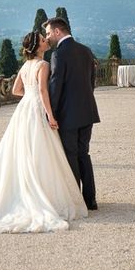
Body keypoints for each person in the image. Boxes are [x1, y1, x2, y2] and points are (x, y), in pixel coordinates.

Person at [0, 31, 87, 233]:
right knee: (41, 150)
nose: (45, 41)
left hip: (24, 108)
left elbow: (16, 90)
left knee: (24, 150)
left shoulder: (25, 66)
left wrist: (28, 95)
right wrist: (50, 115)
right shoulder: (43, 65)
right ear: (38, 47)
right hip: (37, 107)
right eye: (42, 40)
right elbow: (43, 91)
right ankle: (44, 195)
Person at [43, 17, 100, 210]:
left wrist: (51, 114)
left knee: (71, 156)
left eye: (49, 33)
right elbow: (91, 83)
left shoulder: (59, 54)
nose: (47, 37)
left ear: (58, 32)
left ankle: (76, 201)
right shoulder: (86, 50)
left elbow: (55, 86)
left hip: (68, 115)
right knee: (84, 153)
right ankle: (90, 200)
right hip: (87, 111)